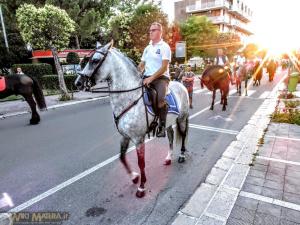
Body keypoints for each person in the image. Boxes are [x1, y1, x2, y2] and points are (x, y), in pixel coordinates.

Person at [138, 22, 171, 138]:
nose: (150, 32)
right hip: (147, 77)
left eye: (153, 30)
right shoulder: (147, 48)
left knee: (160, 99)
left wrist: (151, 78)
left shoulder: (164, 47)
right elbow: (142, 65)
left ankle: (162, 125)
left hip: (161, 78)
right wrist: (136, 73)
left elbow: (164, 67)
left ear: (160, 32)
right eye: (150, 30)